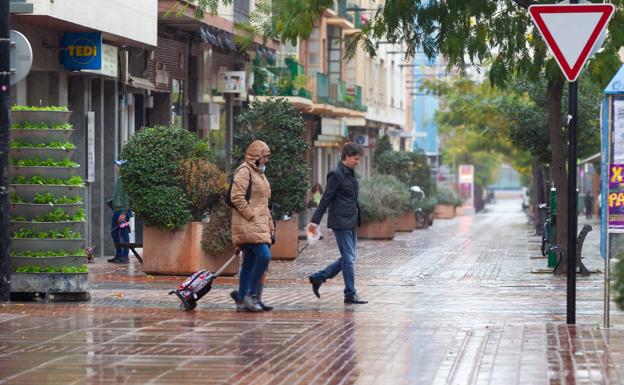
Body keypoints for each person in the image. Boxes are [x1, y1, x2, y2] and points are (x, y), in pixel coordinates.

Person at [307, 142, 367, 304]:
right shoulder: (336, 174)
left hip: (351, 220)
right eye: (355, 159)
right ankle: (350, 293)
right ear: (346, 156)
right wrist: (314, 222)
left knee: (349, 257)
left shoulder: (349, 172)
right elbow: (326, 198)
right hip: (341, 221)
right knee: (349, 258)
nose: (357, 162)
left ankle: (319, 277)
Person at [230, 140, 275, 312]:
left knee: (249, 262)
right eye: (264, 156)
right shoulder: (244, 171)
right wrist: (251, 215)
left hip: (258, 224)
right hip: (248, 224)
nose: (266, 160)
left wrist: (270, 225)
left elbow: (263, 203)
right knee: (264, 256)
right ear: (255, 156)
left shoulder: (259, 174)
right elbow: (236, 197)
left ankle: (242, 301)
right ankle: (251, 295)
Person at [108, 160, 133, 264]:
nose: (116, 168)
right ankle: (118, 255)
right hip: (117, 210)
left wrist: (123, 213)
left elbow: (127, 197)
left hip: (122, 212)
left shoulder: (125, 180)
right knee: (114, 233)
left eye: (118, 166)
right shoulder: (120, 179)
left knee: (124, 233)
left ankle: (125, 256)